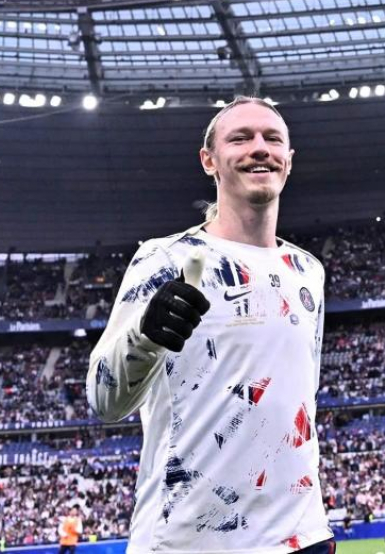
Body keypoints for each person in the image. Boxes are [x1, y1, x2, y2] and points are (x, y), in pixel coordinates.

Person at [87, 97, 332, 553]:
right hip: (192, 541)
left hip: (302, 537)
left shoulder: (307, 271)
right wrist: (145, 336)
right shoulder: (165, 260)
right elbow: (104, 401)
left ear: (288, 159)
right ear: (209, 161)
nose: (259, 148)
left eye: (272, 138)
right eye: (240, 138)